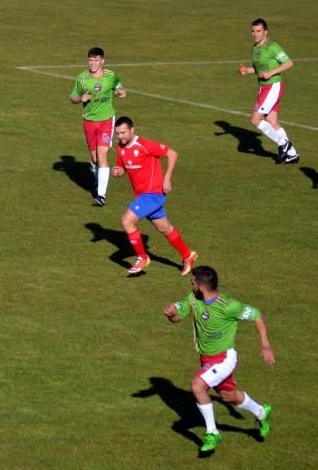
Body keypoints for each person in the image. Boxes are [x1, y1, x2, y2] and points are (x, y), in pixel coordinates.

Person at [164, 266, 275, 453]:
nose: (190, 284)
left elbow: (258, 315)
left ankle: (212, 432)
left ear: (200, 287)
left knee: (197, 386)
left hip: (224, 358)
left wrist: (265, 345)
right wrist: (171, 314)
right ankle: (261, 412)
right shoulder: (192, 299)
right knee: (228, 396)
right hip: (206, 359)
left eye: (192, 282)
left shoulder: (228, 306)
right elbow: (177, 318)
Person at [110, 117, 198, 276]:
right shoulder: (120, 149)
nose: (120, 137)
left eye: (123, 132)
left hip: (153, 193)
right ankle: (188, 255)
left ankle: (142, 257)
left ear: (132, 130)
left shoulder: (145, 145)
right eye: (117, 134)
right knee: (164, 227)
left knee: (126, 220)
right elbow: (122, 168)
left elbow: (172, 153)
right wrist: (118, 172)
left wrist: (167, 178)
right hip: (142, 196)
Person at [70, 47, 126, 207]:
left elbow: (119, 88)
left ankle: (101, 195)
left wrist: (122, 92)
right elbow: (72, 97)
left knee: (102, 156)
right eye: (90, 60)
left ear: (102, 61)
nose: (93, 63)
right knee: (95, 158)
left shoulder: (111, 76)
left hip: (106, 120)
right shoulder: (81, 78)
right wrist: (80, 98)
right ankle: (98, 179)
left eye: (96, 60)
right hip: (89, 121)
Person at [238, 18, 299, 164]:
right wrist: (247, 70)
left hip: (272, 86)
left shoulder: (272, 47)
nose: (255, 34)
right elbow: (259, 69)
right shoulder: (255, 48)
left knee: (255, 119)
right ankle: (292, 154)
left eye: (258, 31)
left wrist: (271, 73)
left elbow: (289, 63)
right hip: (264, 87)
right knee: (272, 120)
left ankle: (283, 144)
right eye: (253, 31)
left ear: (266, 32)